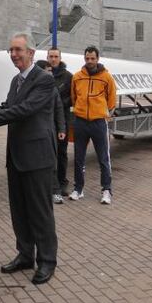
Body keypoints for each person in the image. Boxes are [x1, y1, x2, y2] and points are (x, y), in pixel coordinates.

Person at [0, 32, 58, 285]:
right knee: (19, 210)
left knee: (40, 212)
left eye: (18, 50)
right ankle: (25, 255)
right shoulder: (15, 81)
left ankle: (46, 261)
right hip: (17, 156)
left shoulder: (43, 80)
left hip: (38, 157)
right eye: (11, 50)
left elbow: (25, 110)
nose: (13, 55)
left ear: (31, 53)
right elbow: (8, 105)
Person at [69, 46, 116, 204]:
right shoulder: (77, 77)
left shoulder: (106, 77)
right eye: (87, 58)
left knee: (103, 158)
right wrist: (80, 112)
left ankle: (106, 190)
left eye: (92, 58)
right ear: (84, 58)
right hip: (81, 122)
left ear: (97, 59)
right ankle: (78, 189)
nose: (90, 61)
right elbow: (74, 97)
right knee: (78, 158)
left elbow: (111, 99)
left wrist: (103, 113)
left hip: (98, 122)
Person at [35, 60, 66, 204]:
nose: (51, 73)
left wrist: (61, 129)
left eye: (51, 71)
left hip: (50, 132)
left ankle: (56, 191)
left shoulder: (52, 89)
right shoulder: (31, 88)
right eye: (48, 71)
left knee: (52, 162)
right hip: (34, 133)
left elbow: (59, 109)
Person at [47, 47, 73, 197]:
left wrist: (59, 102)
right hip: (47, 120)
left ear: (60, 58)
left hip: (62, 120)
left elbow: (73, 97)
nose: (53, 59)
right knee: (48, 153)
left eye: (56, 56)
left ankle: (62, 182)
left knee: (62, 153)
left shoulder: (68, 77)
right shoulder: (43, 74)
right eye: (51, 56)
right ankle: (50, 183)